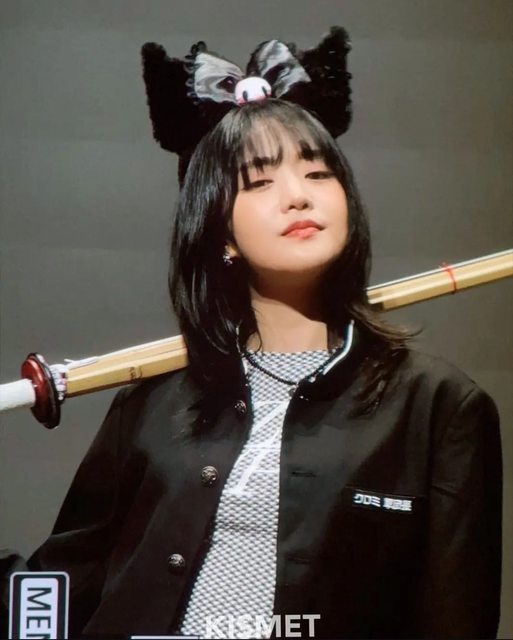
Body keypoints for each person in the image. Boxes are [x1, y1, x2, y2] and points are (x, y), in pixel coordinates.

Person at [0, 29, 502, 640]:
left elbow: (456, 615)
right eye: (260, 182)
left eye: (318, 173)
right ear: (222, 233)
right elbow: (57, 588)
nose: (298, 196)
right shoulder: (151, 401)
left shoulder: (439, 407)